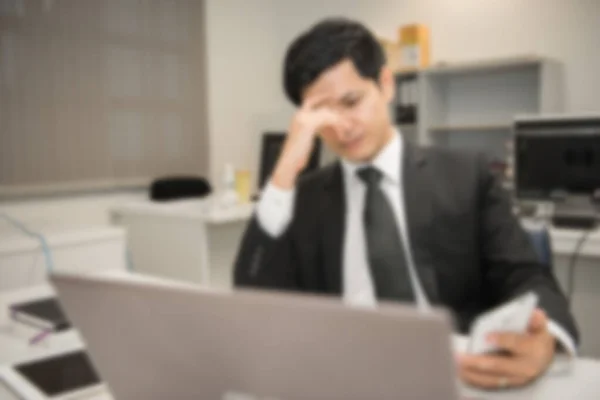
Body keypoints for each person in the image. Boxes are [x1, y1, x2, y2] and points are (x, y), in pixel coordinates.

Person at [233, 17, 579, 390]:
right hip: (346, 380)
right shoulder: (303, 199)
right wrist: (285, 170)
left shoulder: (466, 176)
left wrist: (547, 338)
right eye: (323, 115)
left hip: (455, 374)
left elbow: (526, 276)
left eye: (352, 102)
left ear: (385, 85)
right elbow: (254, 300)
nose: (343, 127)